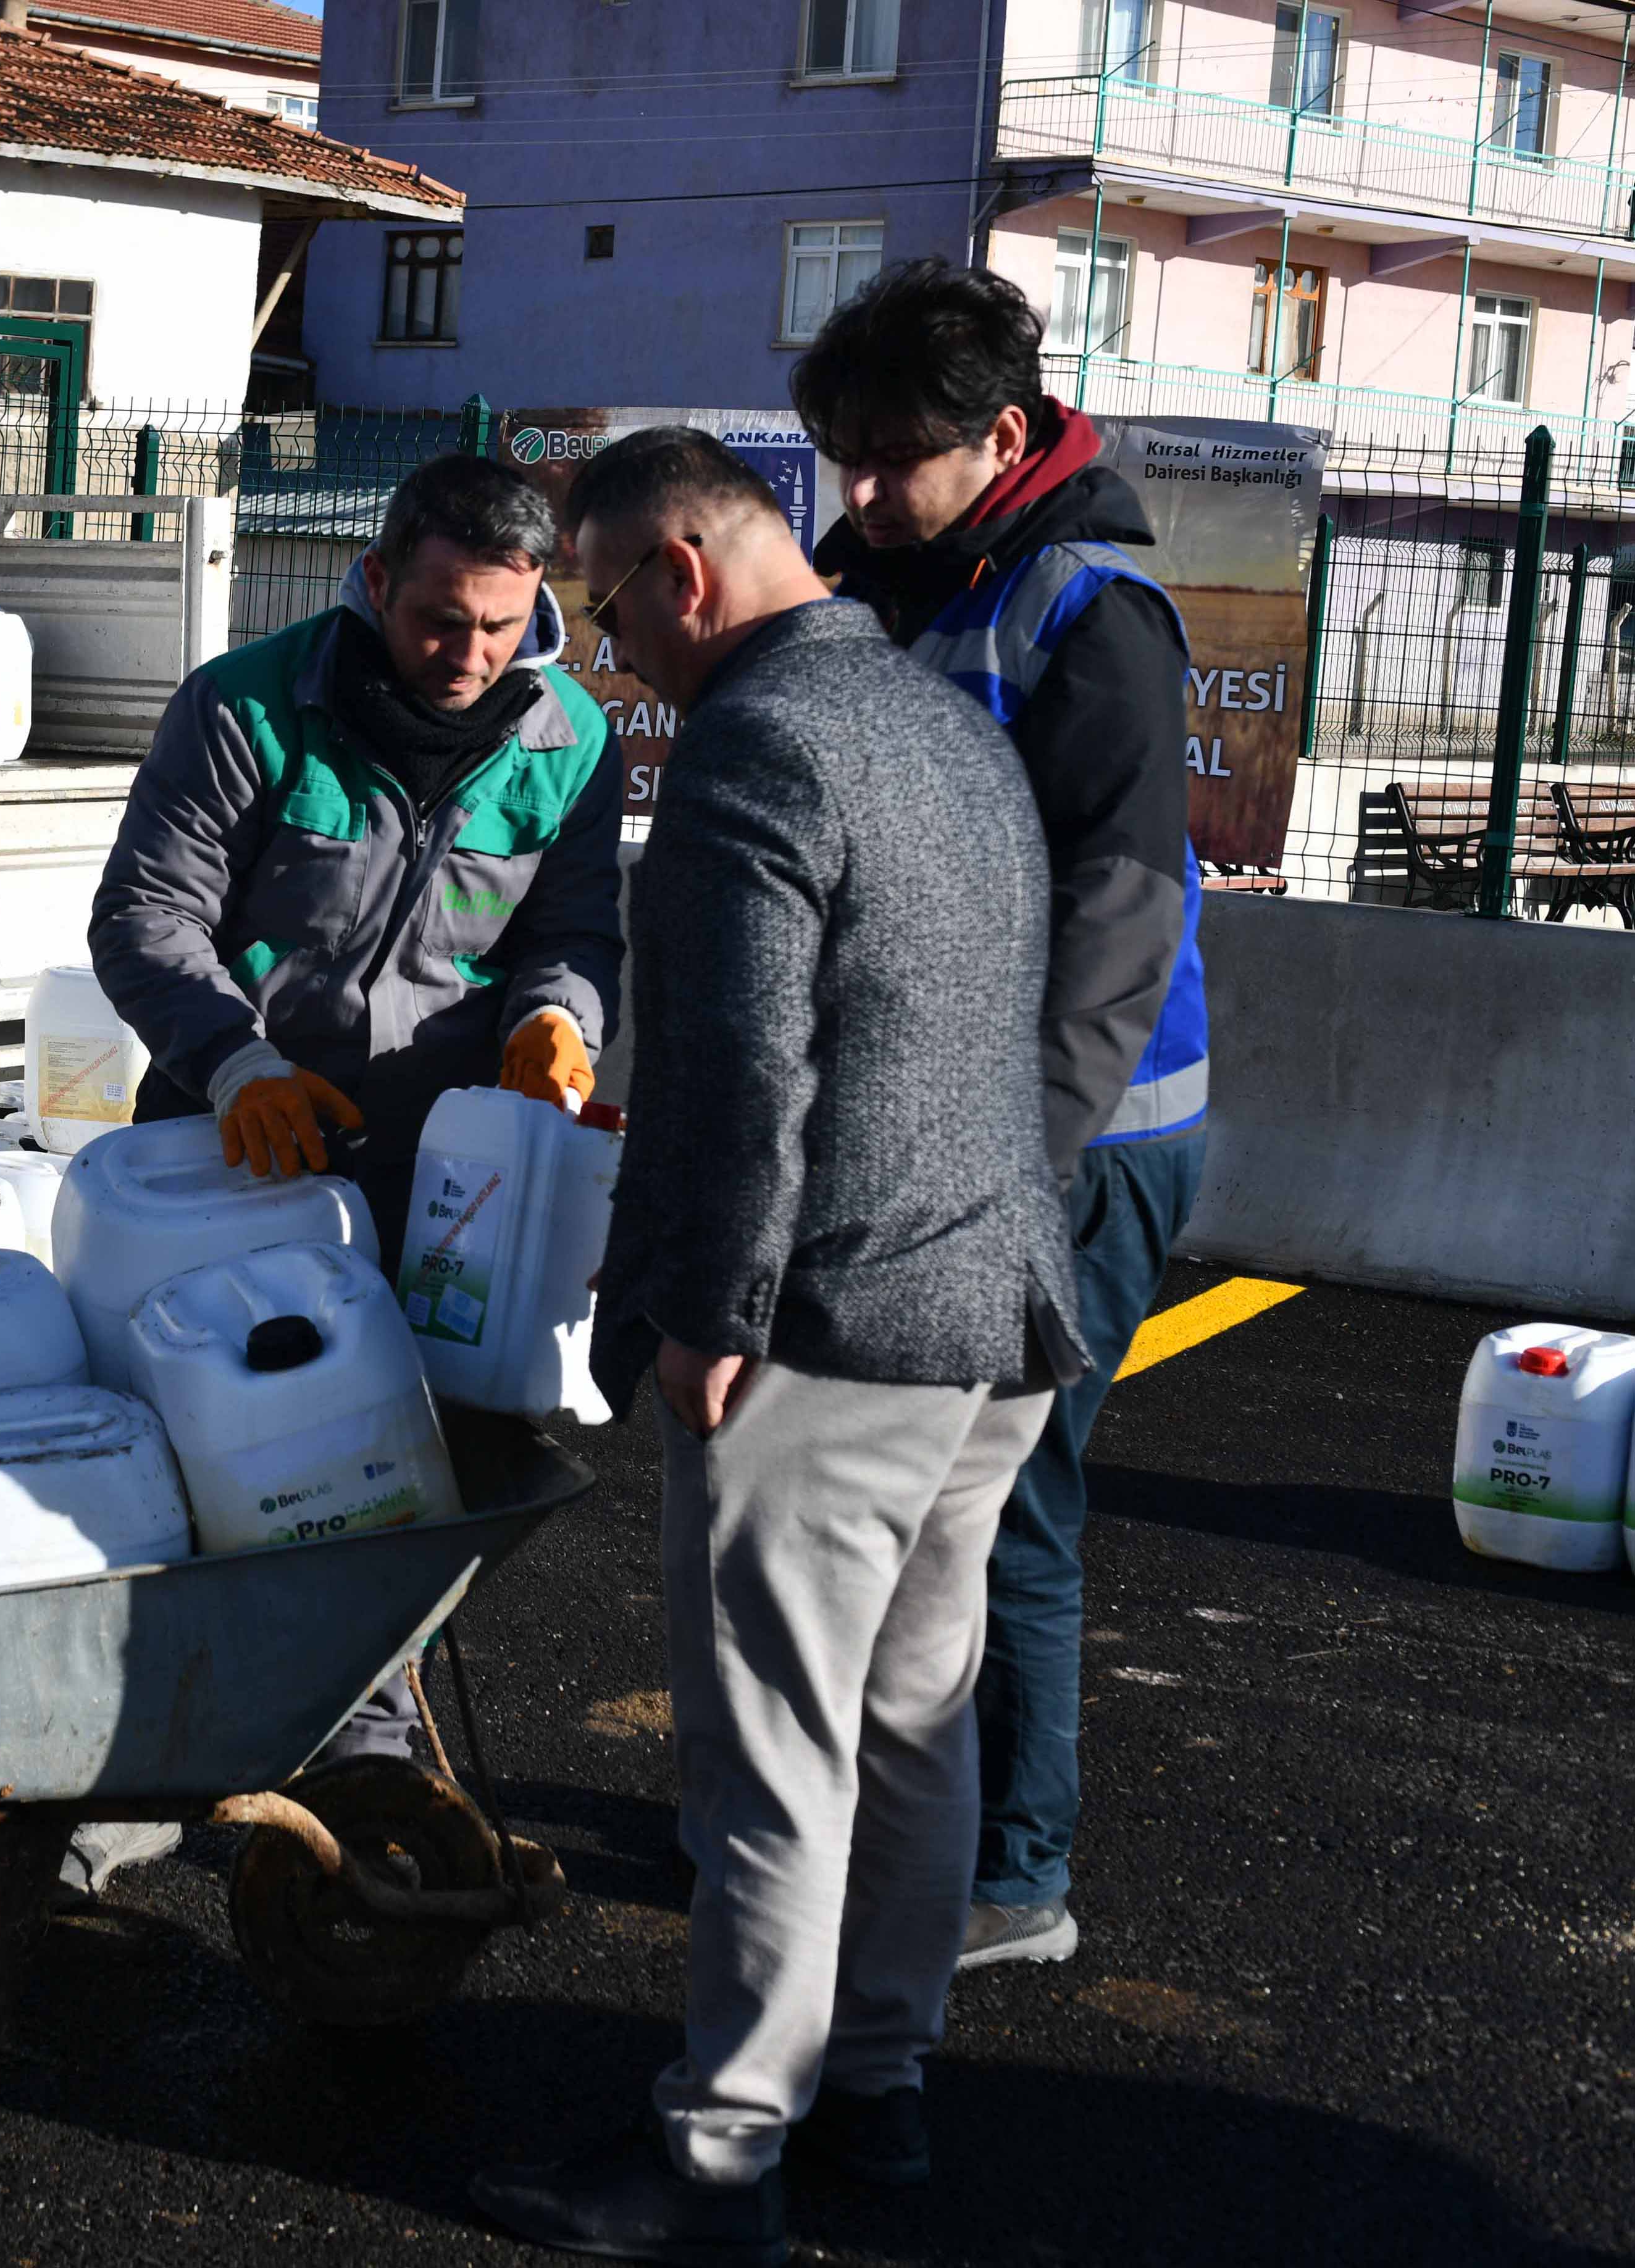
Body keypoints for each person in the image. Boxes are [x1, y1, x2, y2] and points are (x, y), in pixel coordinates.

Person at [474, 428, 1079, 2266]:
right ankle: (876, 2098)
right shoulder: (946, 722)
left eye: (604, 610)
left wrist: (710, 1312)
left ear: (684, 566)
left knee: (772, 1759)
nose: (606, 657)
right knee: (911, 1732)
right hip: (996, 1317)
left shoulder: (757, 743)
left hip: (826, 1320)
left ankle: (722, 2155)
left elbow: (748, 1069)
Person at [86, 449, 619, 1774]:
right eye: (438, 616)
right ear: (374, 579)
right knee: (218, 1452)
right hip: (243, 1149)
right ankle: (156, 1731)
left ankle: (352, 1731)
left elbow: (571, 931)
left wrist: (557, 1021)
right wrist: (235, 1064)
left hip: (445, 1178)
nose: (465, 652)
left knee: (391, 1468)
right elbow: (144, 917)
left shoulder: (568, 739)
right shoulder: (250, 706)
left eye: (500, 625)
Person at [795, 259, 1205, 1972]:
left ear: (1007, 437)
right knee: (889, 1502)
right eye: (841, 459)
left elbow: (1120, 912)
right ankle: (904, 1830)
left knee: (1010, 1508)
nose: (862, 494)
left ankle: (1011, 1875)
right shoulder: (887, 574)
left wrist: (1018, 1167)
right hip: (920, 1130)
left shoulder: (1089, 615)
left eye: (895, 457)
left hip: (1074, 1146)